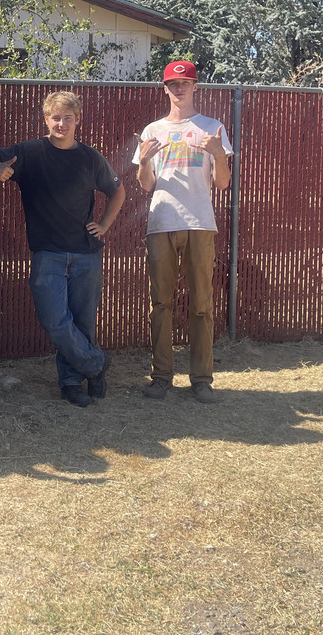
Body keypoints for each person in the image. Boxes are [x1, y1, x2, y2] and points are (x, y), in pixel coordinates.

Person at [0, 90, 125, 408]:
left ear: (78, 120)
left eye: (67, 118)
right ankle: (96, 364)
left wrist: (103, 225)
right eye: (56, 117)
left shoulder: (90, 157)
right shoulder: (30, 152)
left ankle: (73, 382)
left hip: (86, 252)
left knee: (83, 321)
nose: (62, 123)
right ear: (46, 119)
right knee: (56, 320)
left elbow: (117, 192)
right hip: (48, 253)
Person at [133, 60, 232, 403]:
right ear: (165, 89)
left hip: (199, 223)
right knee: (160, 302)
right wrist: (145, 161)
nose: (179, 89)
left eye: (185, 83)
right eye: (173, 84)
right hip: (161, 222)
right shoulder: (152, 130)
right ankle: (161, 377)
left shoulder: (212, 128)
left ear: (195, 87)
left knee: (201, 304)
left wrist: (219, 155)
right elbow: (146, 185)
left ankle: (202, 380)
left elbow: (222, 183)